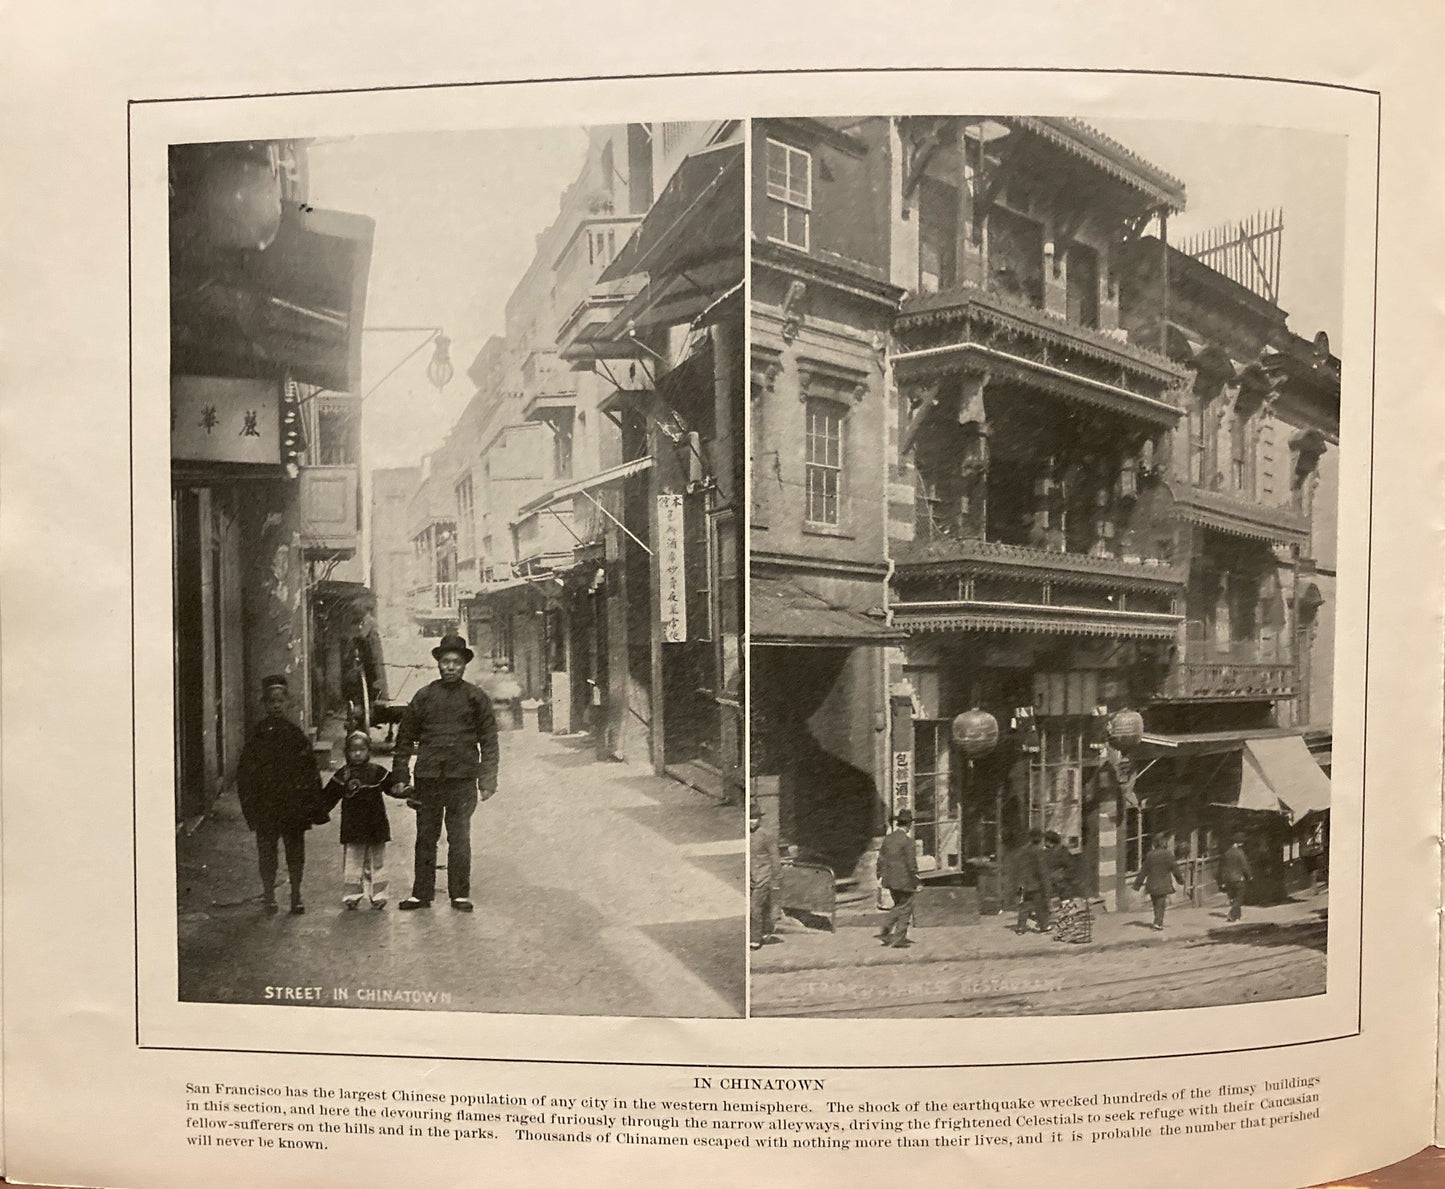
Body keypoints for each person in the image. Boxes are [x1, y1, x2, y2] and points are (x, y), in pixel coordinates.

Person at [391, 633, 499, 912]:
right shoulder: (424, 697)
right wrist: (401, 776)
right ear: (438, 664)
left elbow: (489, 741)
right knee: (426, 836)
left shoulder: (476, 698)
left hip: (462, 779)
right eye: (445, 661)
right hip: (428, 778)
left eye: (456, 662)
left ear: (464, 665)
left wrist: (487, 779)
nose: (450, 667)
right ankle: (421, 894)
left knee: (459, 836)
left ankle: (459, 894)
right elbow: (404, 738)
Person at [235, 674, 324, 915]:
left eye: (280, 700)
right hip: (266, 807)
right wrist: (250, 809)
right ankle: (269, 895)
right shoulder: (257, 737)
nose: (275, 705)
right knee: (267, 853)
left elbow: (310, 772)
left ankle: (296, 894)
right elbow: (245, 775)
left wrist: (312, 806)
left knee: (295, 852)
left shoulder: (296, 736)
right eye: (271, 701)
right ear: (264, 704)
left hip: (292, 806)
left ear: (288, 703)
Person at [319, 731, 403, 910]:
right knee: (353, 861)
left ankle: (379, 895)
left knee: (377, 861)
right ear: (347, 752)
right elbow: (328, 797)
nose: (357, 754)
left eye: (362, 749)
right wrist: (315, 811)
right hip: (353, 825)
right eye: (353, 750)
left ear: (368, 751)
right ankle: (352, 895)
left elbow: (392, 786)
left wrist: (404, 790)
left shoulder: (377, 772)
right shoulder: (344, 774)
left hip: (376, 824)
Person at [876, 808, 921, 948]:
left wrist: (880, 875)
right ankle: (897, 937)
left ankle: (886, 931)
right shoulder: (908, 842)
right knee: (906, 907)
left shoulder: (888, 839)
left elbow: (880, 859)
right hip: (904, 880)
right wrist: (917, 881)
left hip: (889, 879)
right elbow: (911, 864)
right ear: (908, 825)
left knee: (898, 905)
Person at [1134, 833, 1186, 930]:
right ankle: (1158, 922)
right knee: (1161, 904)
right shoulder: (1168, 855)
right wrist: (1181, 880)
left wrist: (1137, 885)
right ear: (1164, 844)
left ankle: (1157, 920)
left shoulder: (1150, 855)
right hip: (1163, 884)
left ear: (1154, 844)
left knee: (1156, 903)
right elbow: (1175, 869)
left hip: (1152, 884)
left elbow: (1144, 871)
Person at [749, 804, 781, 950]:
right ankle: (765, 931)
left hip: (764, 876)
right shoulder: (747, 835)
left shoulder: (766, 835)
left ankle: (754, 939)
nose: (752, 822)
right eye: (750, 818)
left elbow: (775, 858)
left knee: (755, 907)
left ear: (760, 819)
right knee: (763, 906)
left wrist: (776, 878)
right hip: (751, 876)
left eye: (755, 818)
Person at [1014, 829, 1052, 934]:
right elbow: (1042, 870)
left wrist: (1020, 883)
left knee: (1025, 906)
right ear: (1040, 839)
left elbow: (1019, 867)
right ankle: (1044, 926)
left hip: (1025, 883)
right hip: (1036, 884)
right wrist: (1047, 886)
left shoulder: (1023, 850)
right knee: (1040, 906)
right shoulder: (1039, 852)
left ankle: (1021, 927)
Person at [1218, 837, 1254, 922]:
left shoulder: (1227, 853)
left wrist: (1223, 881)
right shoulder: (1240, 853)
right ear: (1239, 843)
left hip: (1228, 879)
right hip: (1238, 878)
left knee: (1234, 896)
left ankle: (1238, 915)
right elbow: (1245, 866)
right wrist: (1249, 876)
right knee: (1239, 897)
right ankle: (1232, 915)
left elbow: (1222, 868)